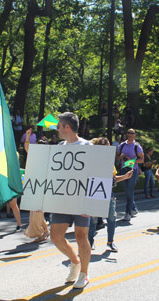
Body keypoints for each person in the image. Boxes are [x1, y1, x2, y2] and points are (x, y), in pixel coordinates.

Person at [49, 112, 92, 289]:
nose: (57, 129)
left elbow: (96, 174)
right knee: (56, 236)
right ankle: (75, 262)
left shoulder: (88, 146)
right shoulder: (59, 146)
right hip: (62, 200)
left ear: (67, 127)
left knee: (81, 236)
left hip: (82, 200)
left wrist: (89, 202)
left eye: (58, 125)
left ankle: (84, 274)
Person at [88, 137, 133, 252]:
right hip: (95, 192)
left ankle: (110, 242)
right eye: (106, 147)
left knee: (111, 218)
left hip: (108, 193)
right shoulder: (91, 160)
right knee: (93, 219)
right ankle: (90, 242)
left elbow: (113, 179)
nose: (108, 150)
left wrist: (125, 176)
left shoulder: (109, 162)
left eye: (109, 147)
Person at [117, 128, 144, 222]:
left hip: (133, 170)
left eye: (132, 133)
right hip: (123, 169)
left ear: (134, 135)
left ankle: (128, 213)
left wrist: (130, 160)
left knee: (129, 191)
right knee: (127, 192)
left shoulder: (137, 146)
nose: (129, 134)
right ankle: (134, 208)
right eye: (128, 133)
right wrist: (120, 157)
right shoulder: (122, 145)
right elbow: (117, 157)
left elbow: (142, 160)